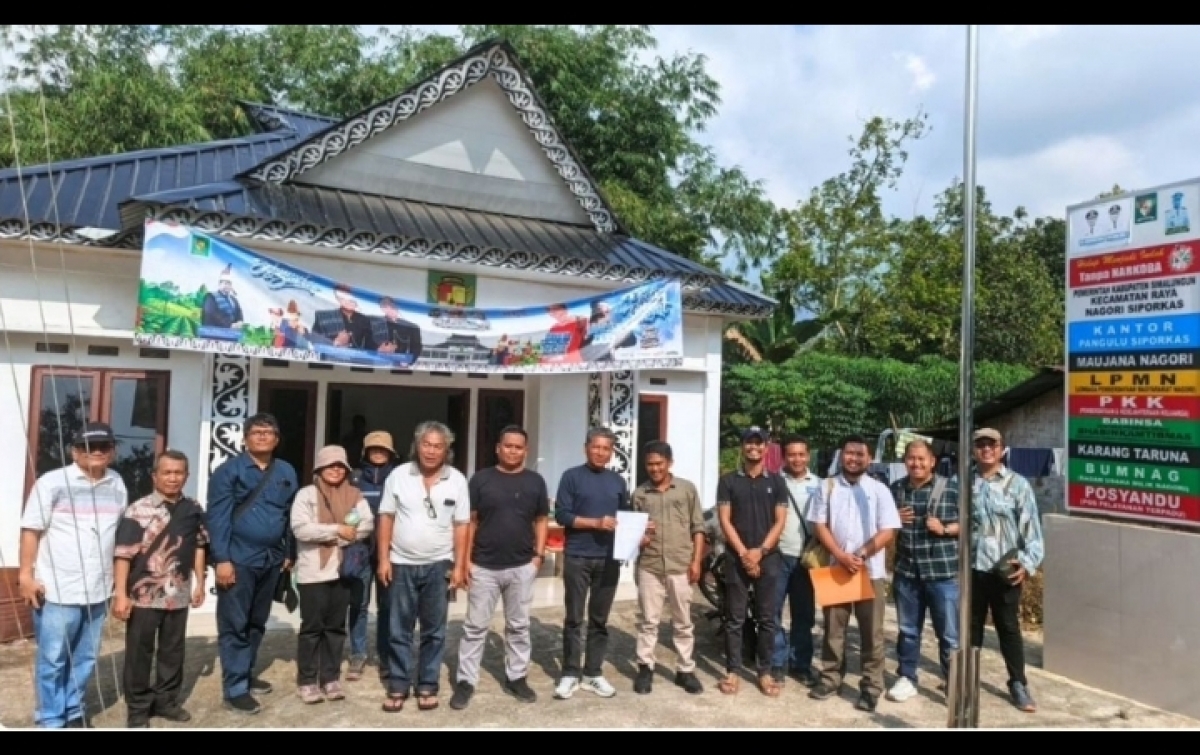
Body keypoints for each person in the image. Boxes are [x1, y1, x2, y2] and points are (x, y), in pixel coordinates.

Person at [19, 422, 128, 729]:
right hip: (57, 588)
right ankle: (51, 719)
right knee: (53, 660)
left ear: (113, 451)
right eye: (87, 448)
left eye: (103, 447)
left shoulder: (117, 483)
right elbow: (31, 530)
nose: (96, 453)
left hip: (98, 586)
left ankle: (74, 711)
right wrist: (25, 575)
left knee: (86, 658)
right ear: (74, 451)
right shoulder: (52, 482)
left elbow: (117, 531)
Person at [450, 425, 549, 709]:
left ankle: (516, 677)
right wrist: (466, 560)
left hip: (521, 565)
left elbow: (541, 519)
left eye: (519, 447)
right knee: (475, 627)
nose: (513, 451)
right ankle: (466, 681)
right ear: (498, 447)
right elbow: (470, 520)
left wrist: (538, 557)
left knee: (518, 626)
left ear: (526, 451)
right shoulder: (481, 480)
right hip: (484, 566)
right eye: (508, 446)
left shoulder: (535, 482)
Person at [206, 412, 299, 715]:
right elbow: (217, 518)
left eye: (268, 432)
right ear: (245, 438)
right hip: (238, 559)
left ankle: (245, 672)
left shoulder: (286, 470)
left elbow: (287, 514)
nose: (262, 436)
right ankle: (235, 689)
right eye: (256, 432)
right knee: (234, 623)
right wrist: (222, 559)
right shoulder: (228, 471)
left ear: (276, 438)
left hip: (271, 560)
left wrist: (288, 552)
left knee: (257, 621)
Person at [376, 421, 471, 712]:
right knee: (398, 628)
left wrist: (459, 566)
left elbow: (462, 525)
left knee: (434, 630)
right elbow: (386, 517)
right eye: (426, 444)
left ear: (447, 450)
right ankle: (398, 684)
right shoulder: (398, 475)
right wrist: (383, 559)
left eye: (438, 445)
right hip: (401, 563)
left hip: (438, 564)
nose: (431, 451)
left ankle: (428, 684)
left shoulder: (456, 479)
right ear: (417, 445)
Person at [113, 449, 208, 727]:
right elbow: (123, 554)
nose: (173, 478)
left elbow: (200, 546)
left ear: (187, 476)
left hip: (177, 594)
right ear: (155, 475)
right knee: (139, 653)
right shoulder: (138, 509)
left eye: (179, 473)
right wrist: (120, 594)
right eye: (167, 472)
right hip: (143, 595)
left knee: (172, 651)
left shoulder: (193, 508)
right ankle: (139, 709)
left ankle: (167, 702)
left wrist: (200, 583)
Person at [807, 434, 901, 712]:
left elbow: (889, 530)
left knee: (872, 632)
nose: (854, 458)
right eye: (849, 453)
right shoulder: (827, 487)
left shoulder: (879, 490)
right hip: (836, 568)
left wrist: (860, 555)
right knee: (833, 629)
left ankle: (871, 686)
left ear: (869, 458)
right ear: (842, 455)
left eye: (860, 454)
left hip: (869, 571)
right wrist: (839, 554)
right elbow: (819, 525)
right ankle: (830, 677)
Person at [290, 445, 374, 704]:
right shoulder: (307, 494)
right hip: (313, 572)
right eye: (330, 465)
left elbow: (367, 524)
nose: (336, 470)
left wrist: (340, 537)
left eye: (340, 466)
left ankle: (330, 678)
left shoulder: (354, 494)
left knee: (336, 628)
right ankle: (307, 680)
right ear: (319, 468)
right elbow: (301, 529)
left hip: (343, 570)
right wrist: (338, 530)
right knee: (312, 628)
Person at [969, 427, 1045, 713]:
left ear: (1002, 449)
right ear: (974, 450)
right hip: (973, 568)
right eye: (980, 444)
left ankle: (1017, 683)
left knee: (1008, 628)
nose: (986, 449)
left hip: (1005, 570)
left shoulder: (1018, 485)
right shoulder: (964, 483)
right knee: (971, 627)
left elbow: (1032, 530)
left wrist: (1027, 563)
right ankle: (967, 677)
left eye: (992, 444)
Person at [553, 427, 631, 700]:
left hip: (608, 558)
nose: (600, 452)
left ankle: (593, 673)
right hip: (577, 556)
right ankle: (571, 673)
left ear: (612, 452)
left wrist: (642, 532)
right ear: (586, 447)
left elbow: (627, 516)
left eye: (606, 448)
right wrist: (595, 523)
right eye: (596, 447)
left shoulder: (618, 482)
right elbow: (562, 515)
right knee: (574, 618)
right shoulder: (571, 477)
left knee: (599, 620)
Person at [715, 426, 788, 698]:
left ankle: (765, 672)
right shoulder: (729, 480)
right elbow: (725, 520)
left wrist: (760, 551)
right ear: (742, 447)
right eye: (749, 443)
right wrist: (746, 554)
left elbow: (780, 521)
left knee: (767, 619)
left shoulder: (777, 482)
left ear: (766, 448)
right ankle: (732, 671)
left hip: (768, 558)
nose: (753, 448)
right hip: (737, 557)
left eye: (759, 444)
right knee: (734, 618)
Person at [887, 439, 960, 703]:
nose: (916, 464)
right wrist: (894, 517)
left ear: (932, 461)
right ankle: (907, 677)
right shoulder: (896, 489)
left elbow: (971, 524)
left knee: (949, 634)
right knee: (908, 630)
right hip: (907, 573)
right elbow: (883, 525)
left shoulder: (952, 488)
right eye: (911, 459)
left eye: (921, 459)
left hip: (942, 575)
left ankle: (954, 681)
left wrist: (946, 528)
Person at [630, 440, 705, 695]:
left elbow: (698, 527)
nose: (654, 469)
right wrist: (640, 538)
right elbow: (632, 535)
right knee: (648, 621)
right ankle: (645, 668)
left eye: (659, 463)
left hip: (680, 564)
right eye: (650, 464)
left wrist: (696, 561)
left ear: (669, 463)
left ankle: (685, 670)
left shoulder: (686, 490)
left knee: (683, 621)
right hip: (650, 565)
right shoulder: (640, 494)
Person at [347, 431, 400, 683]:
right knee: (358, 604)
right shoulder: (354, 479)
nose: (378, 453)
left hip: (391, 552)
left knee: (387, 606)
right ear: (365, 452)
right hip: (360, 551)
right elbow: (346, 511)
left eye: (383, 449)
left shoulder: (400, 478)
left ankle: (385, 655)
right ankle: (357, 653)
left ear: (391, 453)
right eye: (373, 449)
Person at [772, 435, 820, 687]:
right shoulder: (773, 482)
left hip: (806, 560)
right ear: (784, 456)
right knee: (773, 613)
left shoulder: (821, 484)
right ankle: (776, 662)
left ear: (808, 455)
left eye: (801, 454)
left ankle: (801, 664)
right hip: (778, 556)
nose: (797, 459)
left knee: (803, 615)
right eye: (792, 454)